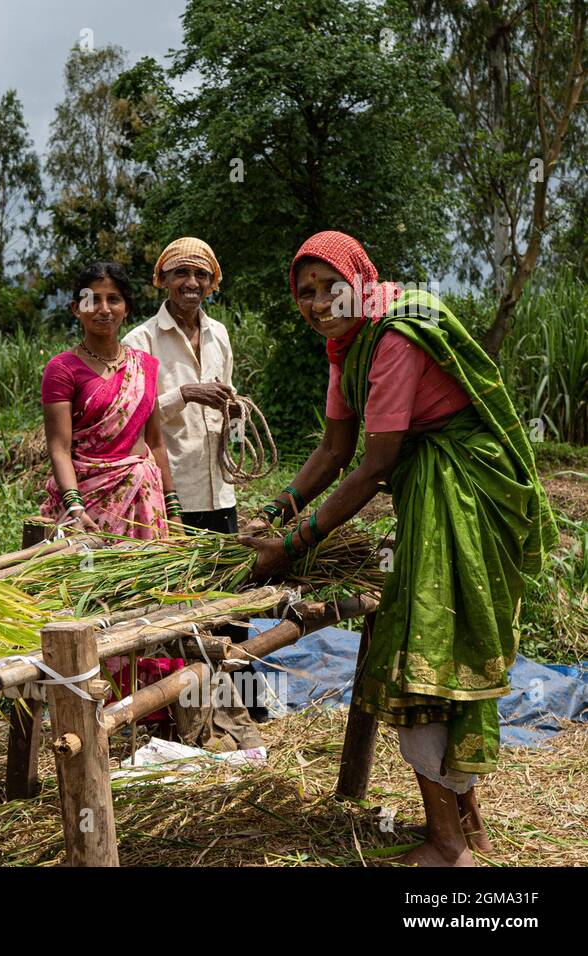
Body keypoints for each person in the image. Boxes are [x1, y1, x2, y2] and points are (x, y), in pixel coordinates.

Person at [241, 231, 556, 867]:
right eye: (305, 293)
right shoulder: (346, 344)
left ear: (360, 279)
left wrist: (294, 545)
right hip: (431, 489)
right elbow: (333, 450)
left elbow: (374, 464)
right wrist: (274, 515)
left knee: (425, 648)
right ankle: (468, 832)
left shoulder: (394, 335)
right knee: (436, 642)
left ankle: (447, 845)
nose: (319, 301)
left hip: (463, 494)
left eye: (331, 285)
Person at [41, 261, 179, 538]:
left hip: (143, 503)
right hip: (86, 505)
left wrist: (173, 509)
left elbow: (156, 443)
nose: (103, 309)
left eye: (113, 299)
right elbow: (59, 449)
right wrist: (75, 510)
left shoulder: (144, 367)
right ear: (76, 309)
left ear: (126, 308)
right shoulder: (62, 369)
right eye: (92, 300)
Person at [122, 238, 240, 533]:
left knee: (227, 575)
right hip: (170, 496)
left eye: (201, 275)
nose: (192, 282)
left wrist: (236, 413)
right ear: (163, 279)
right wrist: (185, 394)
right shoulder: (139, 342)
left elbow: (228, 394)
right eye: (181, 273)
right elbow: (130, 422)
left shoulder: (219, 334)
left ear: (211, 283)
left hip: (222, 491)